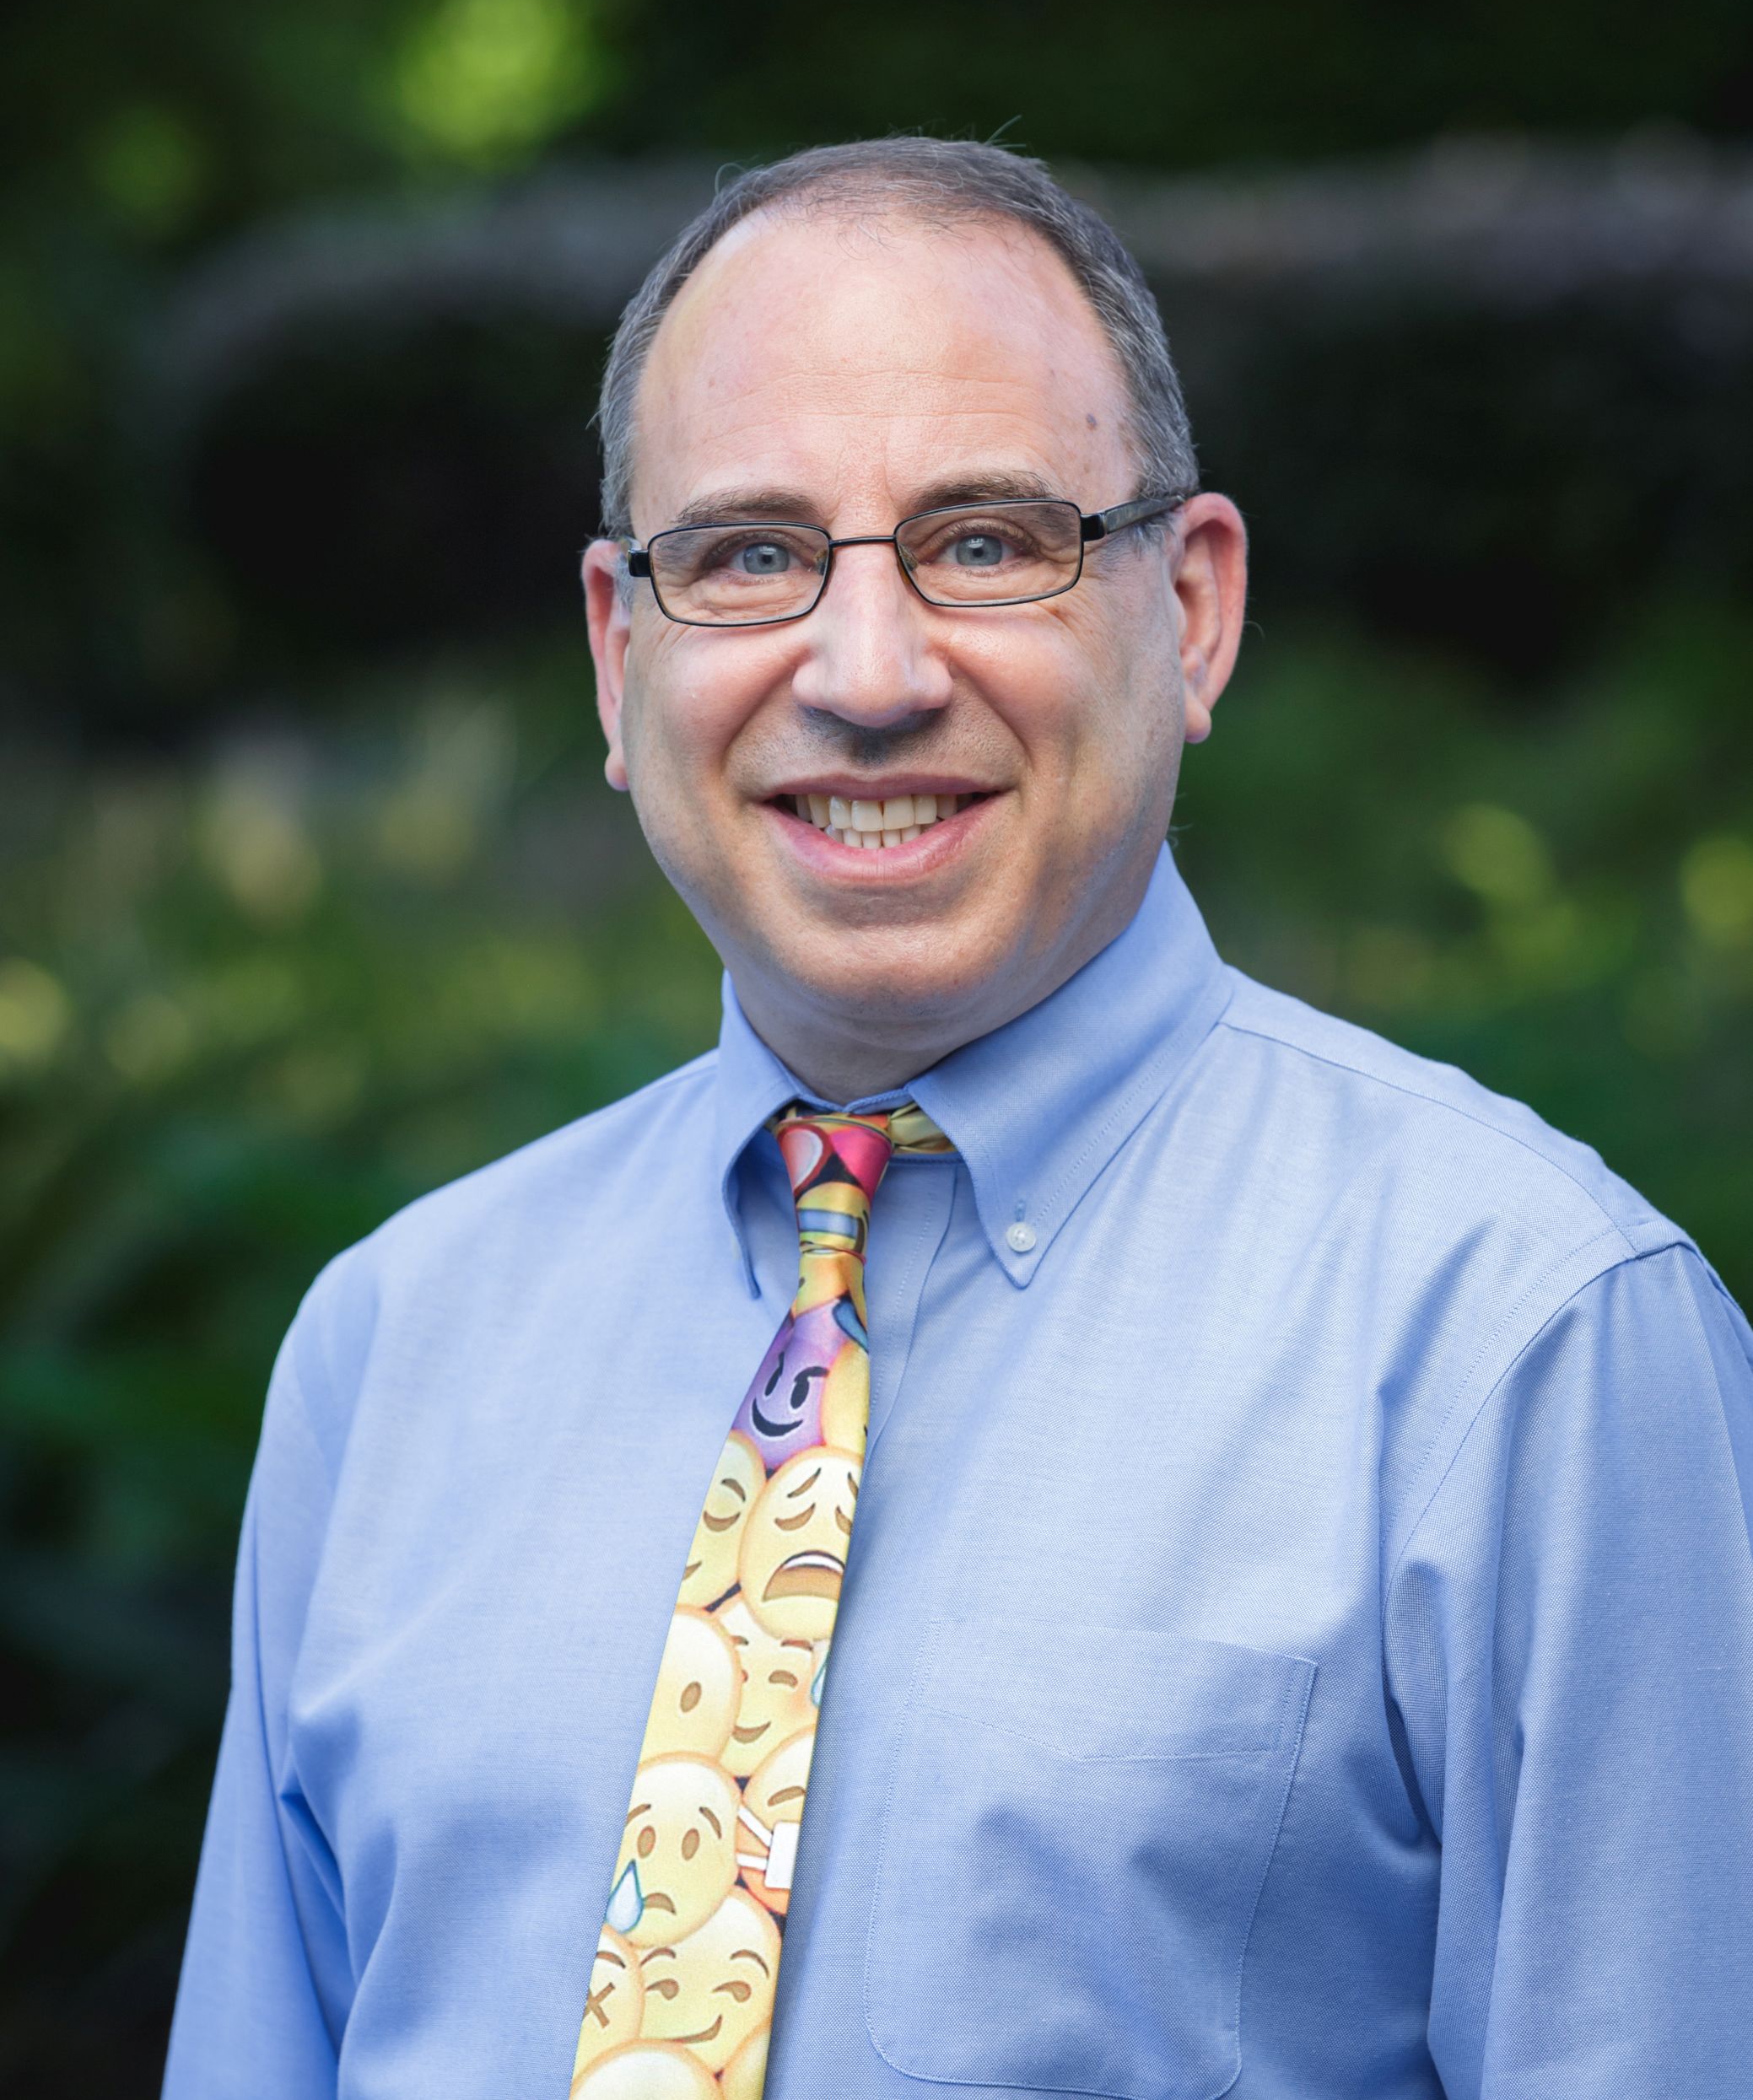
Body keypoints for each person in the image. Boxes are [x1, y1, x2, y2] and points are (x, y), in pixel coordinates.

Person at [163, 137, 1753, 2100]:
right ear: (616, 653)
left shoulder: (1527, 1344)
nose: (867, 672)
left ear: (1193, 609)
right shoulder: (394, 1348)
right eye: (747, 554)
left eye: (986, 541)